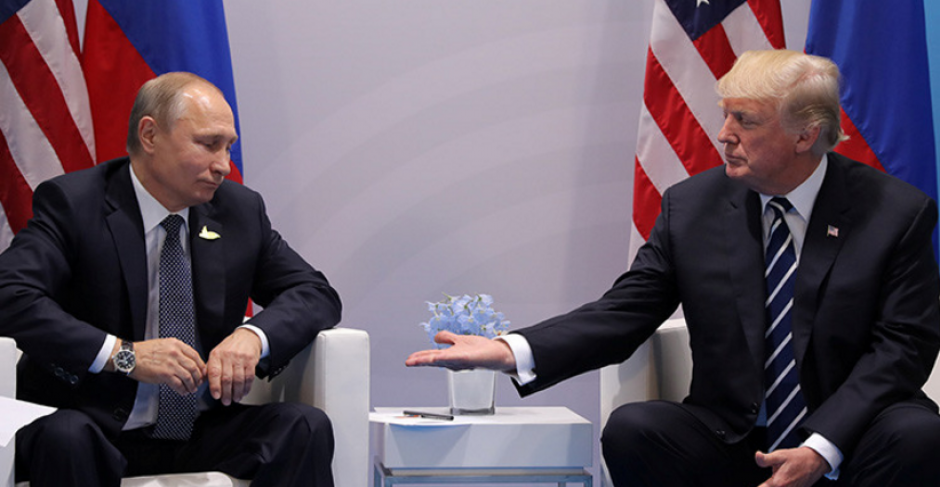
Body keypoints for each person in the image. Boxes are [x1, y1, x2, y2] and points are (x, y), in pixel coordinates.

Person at [407, 50, 940, 487]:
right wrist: (509, 350)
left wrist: (821, 446)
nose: (723, 134)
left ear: (805, 135)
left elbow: (902, 347)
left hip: (850, 435)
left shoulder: (894, 212)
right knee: (636, 427)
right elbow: (626, 312)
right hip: (733, 436)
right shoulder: (693, 206)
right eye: (725, 115)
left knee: (918, 436)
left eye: (745, 120)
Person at [0, 72, 342, 487]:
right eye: (208, 144)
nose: (223, 165)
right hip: (93, 426)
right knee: (67, 436)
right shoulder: (76, 204)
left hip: (199, 428)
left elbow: (315, 293)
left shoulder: (239, 211)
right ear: (150, 135)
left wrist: (253, 336)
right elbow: (10, 296)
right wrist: (125, 356)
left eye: (228, 146)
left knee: (302, 426)